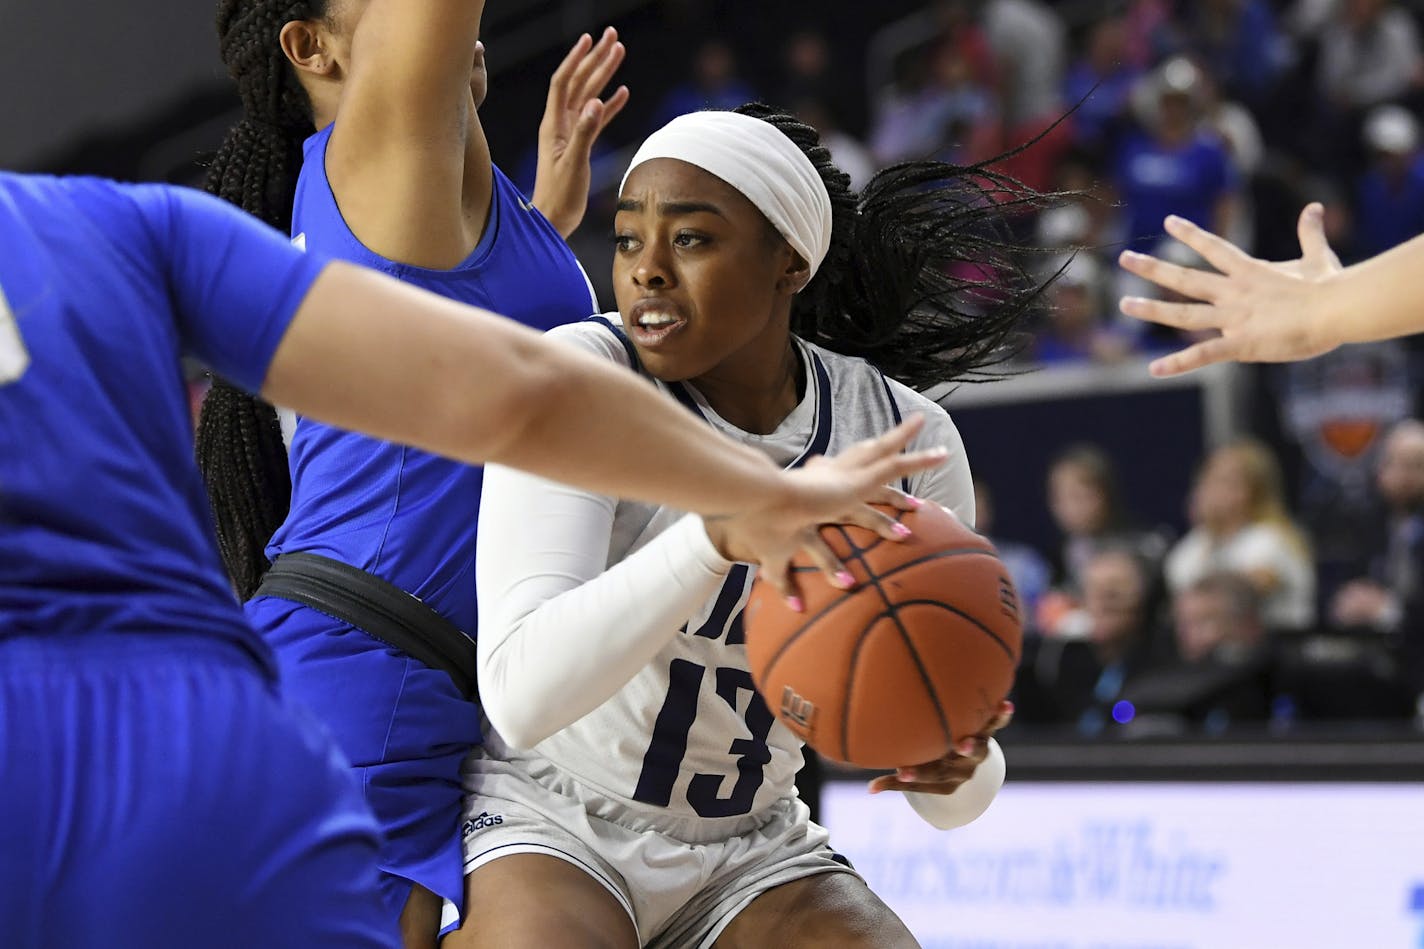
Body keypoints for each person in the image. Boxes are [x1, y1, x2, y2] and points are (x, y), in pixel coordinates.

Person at [0, 174, 940, 947]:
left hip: (129, 731)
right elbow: (519, 394)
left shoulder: (892, 423)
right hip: (203, 750)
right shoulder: (114, 220)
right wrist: (760, 496)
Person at [448, 104, 1044, 949]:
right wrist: (714, 535)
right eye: (627, 240)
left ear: (789, 263)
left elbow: (957, 799)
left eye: (690, 239)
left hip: (750, 843)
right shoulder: (580, 379)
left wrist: (953, 759)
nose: (647, 270)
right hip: (556, 811)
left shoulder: (897, 435)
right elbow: (520, 693)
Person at [196, 2, 627, 939]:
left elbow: (460, 359)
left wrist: (543, 222)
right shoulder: (370, 150)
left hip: (399, 680)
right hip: (366, 687)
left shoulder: (415, 208)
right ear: (313, 49)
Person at [1164, 439, 1316, 632]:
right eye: (1207, 479)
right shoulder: (1190, 548)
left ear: (1254, 492)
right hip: (1206, 656)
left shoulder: (1272, 539)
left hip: (1278, 652)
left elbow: (1244, 595)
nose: (1209, 490)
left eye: (1225, 481)